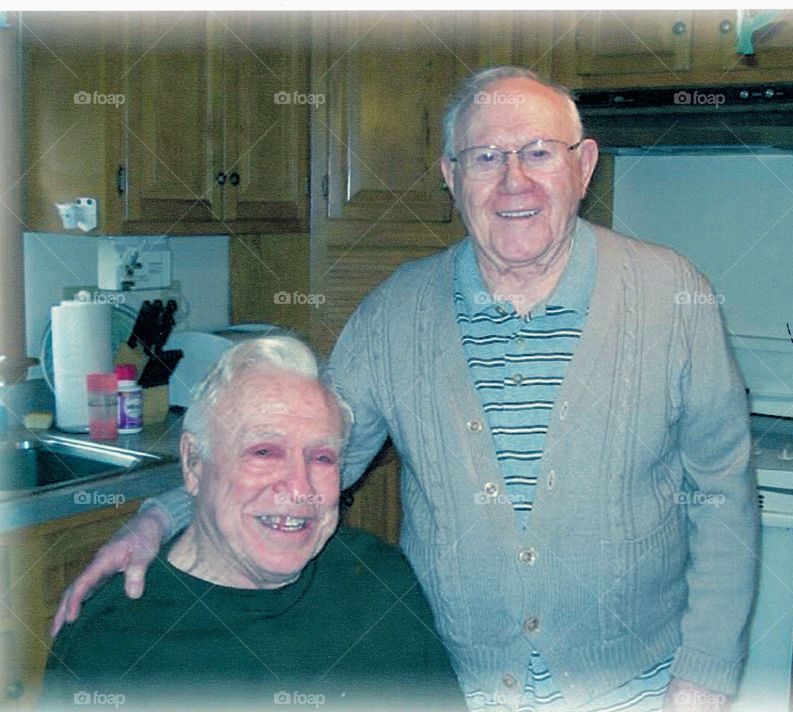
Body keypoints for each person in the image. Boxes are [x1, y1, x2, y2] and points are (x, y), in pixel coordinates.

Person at [53, 67, 757, 712]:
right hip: (454, 679)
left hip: (637, 687)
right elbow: (307, 462)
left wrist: (705, 676)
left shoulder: (672, 296)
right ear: (451, 176)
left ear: (584, 165)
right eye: (486, 157)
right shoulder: (396, 313)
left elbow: (723, 491)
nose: (514, 182)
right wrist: (159, 519)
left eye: (539, 152)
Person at [42, 337, 462, 712]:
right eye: (264, 452)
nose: (299, 488)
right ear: (193, 461)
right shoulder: (112, 645)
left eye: (322, 458)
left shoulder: (378, 581)